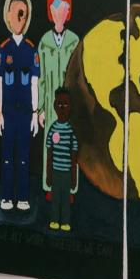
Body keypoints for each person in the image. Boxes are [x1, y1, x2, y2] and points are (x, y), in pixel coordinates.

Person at [0, 0, 39, 212]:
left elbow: (34, 83)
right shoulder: (3, 50)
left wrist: (35, 113)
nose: (20, 18)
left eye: (24, 13)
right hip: (8, 112)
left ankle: (22, 197)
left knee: (23, 157)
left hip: (25, 113)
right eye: (16, 13)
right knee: (7, 156)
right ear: (8, 15)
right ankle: (6, 197)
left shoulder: (31, 50)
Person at [36, 0, 79, 199]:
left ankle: (71, 189)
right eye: (54, 7)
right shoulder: (44, 42)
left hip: (69, 104)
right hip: (51, 102)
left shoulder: (75, 41)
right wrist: (40, 109)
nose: (58, 12)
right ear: (50, 12)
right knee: (51, 144)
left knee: (70, 145)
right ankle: (50, 186)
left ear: (68, 11)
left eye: (62, 7)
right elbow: (41, 78)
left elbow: (78, 77)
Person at [45, 87, 78, 233]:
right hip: (55, 172)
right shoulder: (53, 129)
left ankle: (65, 222)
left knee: (66, 199)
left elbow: (74, 156)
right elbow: (49, 153)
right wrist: (48, 174)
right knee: (55, 198)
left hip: (67, 172)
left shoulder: (71, 131)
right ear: (55, 106)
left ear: (70, 106)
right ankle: (54, 220)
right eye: (59, 104)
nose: (62, 108)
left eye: (65, 104)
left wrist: (73, 177)